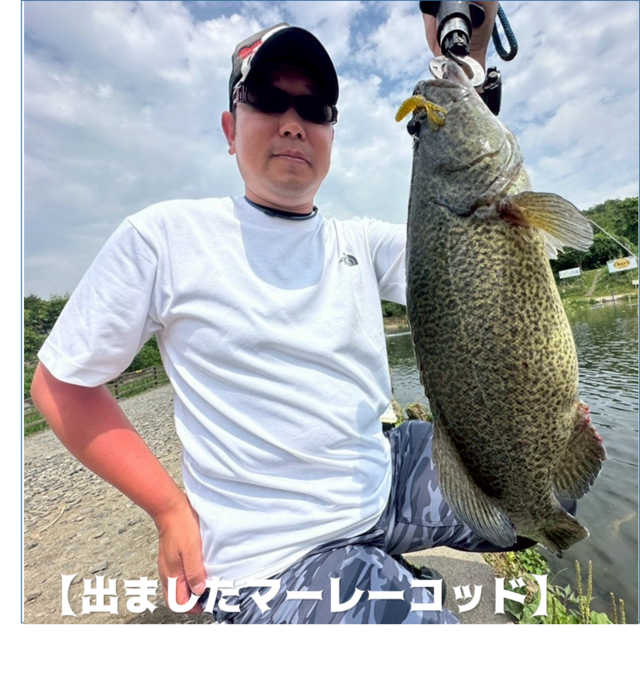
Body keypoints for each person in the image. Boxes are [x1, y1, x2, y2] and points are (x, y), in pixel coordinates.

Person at [31, 3, 527, 626]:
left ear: (331, 133)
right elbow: (59, 384)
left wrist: (467, 62)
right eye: (269, 99)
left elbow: (480, 229)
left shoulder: (359, 240)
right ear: (229, 127)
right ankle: (378, 577)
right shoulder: (163, 238)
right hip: (279, 561)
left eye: (315, 108)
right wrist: (168, 509)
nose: (294, 123)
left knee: (543, 485)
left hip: (382, 482)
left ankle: (383, 560)